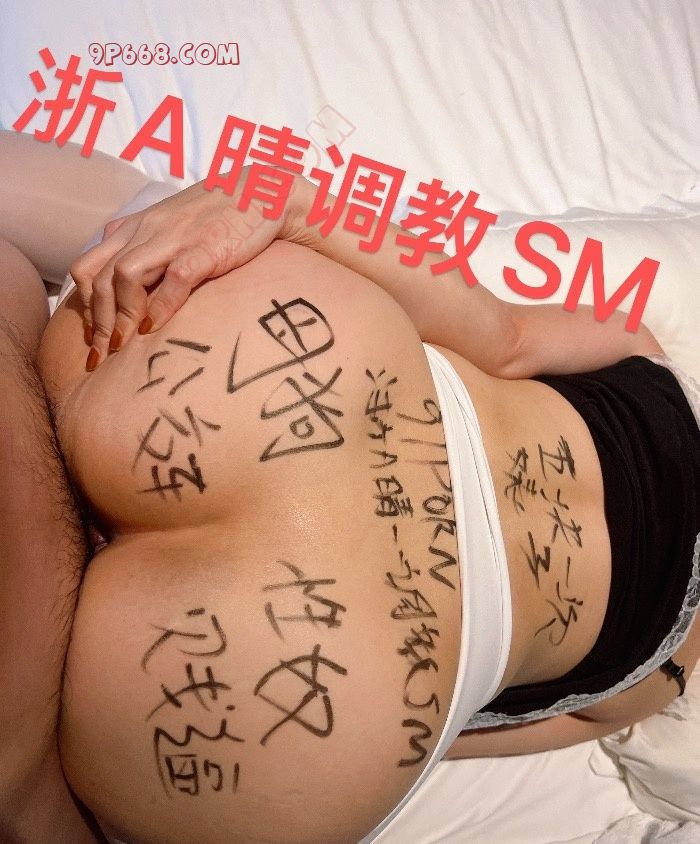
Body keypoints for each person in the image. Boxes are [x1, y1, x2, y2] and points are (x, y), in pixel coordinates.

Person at [1, 130, 698, 842]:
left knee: (26, 283)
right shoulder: (660, 675)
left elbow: (502, 334)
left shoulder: (654, 370)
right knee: (37, 781)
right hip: (317, 689)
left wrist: (288, 201)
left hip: (284, 379)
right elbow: (453, 735)